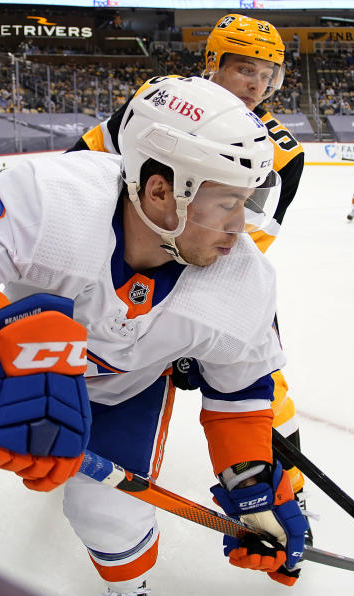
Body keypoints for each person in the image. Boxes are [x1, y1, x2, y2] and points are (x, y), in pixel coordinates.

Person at [0, 77, 309, 596]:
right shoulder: (54, 197)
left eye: (247, 202)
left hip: (126, 389)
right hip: (19, 366)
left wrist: (251, 483)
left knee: (103, 513)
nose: (241, 229)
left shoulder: (244, 279)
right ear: (162, 191)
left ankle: (127, 587)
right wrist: (1, 346)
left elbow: (240, 388)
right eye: (228, 204)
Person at [67, 13, 313, 543]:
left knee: (265, 385)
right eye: (245, 68)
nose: (257, 84)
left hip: (210, 275)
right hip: (123, 261)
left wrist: (189, 316)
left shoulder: (282, 151)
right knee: (88, 359)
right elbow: (82, 164)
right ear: (212, 63)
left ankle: (286, 489)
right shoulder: (159, 101)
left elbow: (241, 242)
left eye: (268, 74)